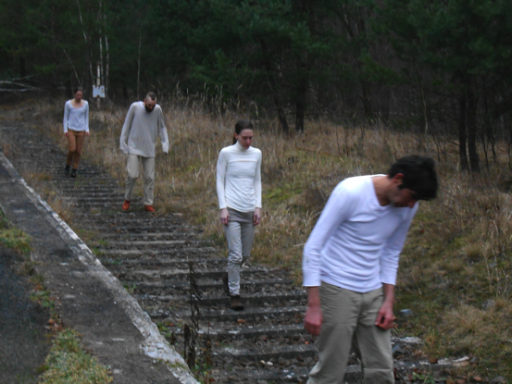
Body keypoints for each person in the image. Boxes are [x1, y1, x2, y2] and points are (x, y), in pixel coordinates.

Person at [302, 155, 438, 384]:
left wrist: (388, 301)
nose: (412, 205)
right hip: (336, 287)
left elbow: (392, 252)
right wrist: (314, 305)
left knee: (382, 372)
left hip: (372, 290)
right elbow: (313, 247)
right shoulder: (351, 192)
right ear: (398, 179)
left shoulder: (407, 206)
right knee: (330, 372)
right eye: (412, 197)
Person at [216, 120, 262, 311]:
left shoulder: (257, 154)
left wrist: (258, 207)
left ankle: (230, 275)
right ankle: (235, 293)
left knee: (245, 254)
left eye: (251, 137)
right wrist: (223, 207)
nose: (248, 141)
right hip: (232, 209)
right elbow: (219, 180)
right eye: (244, 137)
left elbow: (257, 180)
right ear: (236, 135)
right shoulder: (226, 153)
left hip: (249, 209)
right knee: (235, 255)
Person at [120, 92, 169, 212]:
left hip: (149, 148)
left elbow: (162, 126)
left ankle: (148, 202)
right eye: (149, 105)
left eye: (153, 105)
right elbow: (126, 124)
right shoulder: (135, 107)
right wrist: (123, 142)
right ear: (144, 101)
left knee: (149, 177)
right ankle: (127, 199)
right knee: (132, 175)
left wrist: (165, 143)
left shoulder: (158, 110)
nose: (151, 107)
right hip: (134, 147)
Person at [63, 87, 89, 178]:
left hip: (81, 129)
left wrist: (87, 129)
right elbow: (65, 117)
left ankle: (74, 169)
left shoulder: (85, 104)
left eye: (81, 95)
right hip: (71, 129)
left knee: (78, 150)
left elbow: (86, 117)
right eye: (78, 95)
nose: (79, 97)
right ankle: (67, 165)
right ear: (74, 94)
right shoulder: (68, 104)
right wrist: (65, 129)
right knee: (72, 149)